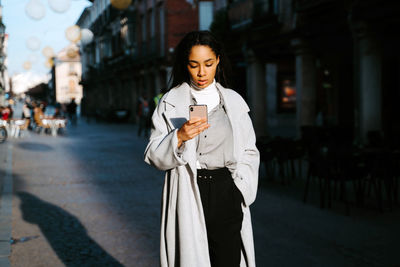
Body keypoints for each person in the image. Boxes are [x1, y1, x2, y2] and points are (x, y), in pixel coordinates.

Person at [144, 31, 259, 267]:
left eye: (208, 63)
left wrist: (242, 189)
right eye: (194, 64)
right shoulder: (170, 102)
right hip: (188, 189)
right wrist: (179, 136)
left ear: (218, 60)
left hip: (227, 190)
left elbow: (249, 150)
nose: (201, 72)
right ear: (185, 65)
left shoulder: (234, 101)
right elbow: (153, 155)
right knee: (191, 259)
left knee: (228, 261)